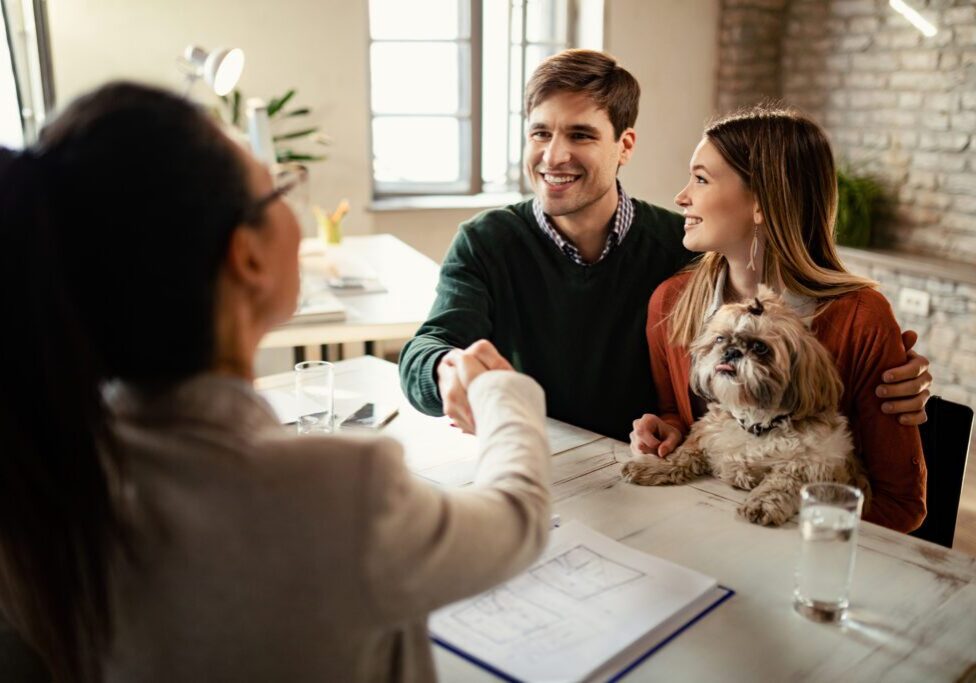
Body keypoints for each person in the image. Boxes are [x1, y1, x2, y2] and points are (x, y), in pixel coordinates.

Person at [0, 82, 551, 683]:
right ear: (249, 258)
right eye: (278, 189)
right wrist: (504, 395)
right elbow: (516, 520)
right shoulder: (340, 491)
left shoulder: (43, 478)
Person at [398, 49, 932, 443]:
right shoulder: (486, 241)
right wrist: (446, 368)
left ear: (624, 144)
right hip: (535, 465)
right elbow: (427, 348)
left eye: (580, 135)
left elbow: (780, 335)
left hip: (648, 476)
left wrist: (889, 369)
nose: (553, 156)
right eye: (540, 133)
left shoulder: (688, 255)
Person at [630, 106, 926, 532]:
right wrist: (667, 432)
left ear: (762, 203)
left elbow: (901, 504)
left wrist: (785, 508)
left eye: (701, 179)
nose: (681, 197)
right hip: (692, 529)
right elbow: (679, 413)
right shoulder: (672, 302)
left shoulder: (861, 317)